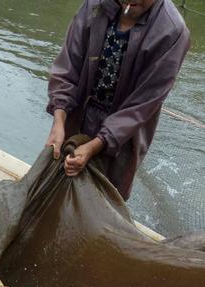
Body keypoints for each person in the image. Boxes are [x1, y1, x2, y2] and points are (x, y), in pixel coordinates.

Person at [45, 0, 190, 199]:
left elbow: (142, 104)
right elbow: (68, 66)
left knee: (103, 200)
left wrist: (96, 144)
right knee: (55, 185)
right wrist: (59, 120)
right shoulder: (94, 6)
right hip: (79, 112)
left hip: (124, 134)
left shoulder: (172, 31)